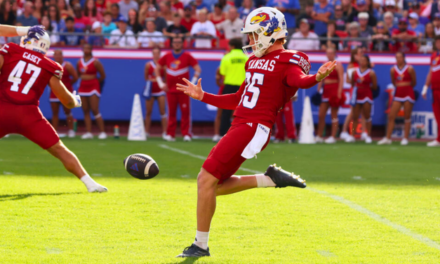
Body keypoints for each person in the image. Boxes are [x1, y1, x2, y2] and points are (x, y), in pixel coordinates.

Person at [174, 7, 336, 258]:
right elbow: (238, 99)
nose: (250, 41)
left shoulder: (288, 59)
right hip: (242, 124)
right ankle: (270, 179)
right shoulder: (253, 61)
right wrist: (203, 96)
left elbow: (299, 81)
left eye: (254, 34)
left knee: (205, 180)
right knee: (211, 186)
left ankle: (200, 245)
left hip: (252, 127)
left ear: (269, 32)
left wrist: (318, 77)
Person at [0, 32, 107, 193]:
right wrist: (76, 100)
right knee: (59, 149)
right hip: (29, 115)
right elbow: (67, 101)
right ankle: (90, 184)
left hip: (3, 109)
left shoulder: (11, 50)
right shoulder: (49, 65)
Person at [155, 37, 201, 141]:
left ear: (182, 44)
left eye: (179, 42)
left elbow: (198, 69)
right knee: (171, 113)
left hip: (184, 91)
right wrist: (160, 83)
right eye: (175, 42)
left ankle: (186, 134)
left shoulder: (187, 56)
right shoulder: (167, 56)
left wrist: (192, 84)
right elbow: (157, 68)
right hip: (170, 90)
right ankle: (171, 134)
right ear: (172, 44)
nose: (176, 44)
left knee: (185, 113)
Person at [378, 52, 416, 146]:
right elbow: (393, 82)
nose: (398, 59)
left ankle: (405, 138)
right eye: (397, 57)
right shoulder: (392, 69)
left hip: (408, 92)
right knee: (392, 115)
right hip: (398, 93)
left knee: (407, 116)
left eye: (400, 57)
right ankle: (388, 137)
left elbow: (414, 82)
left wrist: (406, 86)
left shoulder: (410, 69)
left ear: (404, 58)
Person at [77, 44, 107, 140]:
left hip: (93, 86)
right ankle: (88, 132)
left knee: (95, 109)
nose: (86, 50)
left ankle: (102, 132)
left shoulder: (96, 62)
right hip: (83, 87)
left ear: (91, 50)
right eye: (84, 48)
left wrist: (95, 82)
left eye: (88, 48)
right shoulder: (79, 62)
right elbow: (78, 74)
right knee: (85, 110)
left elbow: (102, 75)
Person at [218, 38, 247, 136]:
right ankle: (242, 134)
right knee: (243, 112)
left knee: (226, 112)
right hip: (243, 87)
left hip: (229, 86)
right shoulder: (246, 58)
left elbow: (222, 73)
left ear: (233, 46)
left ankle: (223, 134)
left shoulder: (227, 57)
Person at [316, 47, 344, 143]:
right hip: (326, 91)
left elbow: (341, 79)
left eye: (331, 53)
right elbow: (321, 77)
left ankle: (333, 136)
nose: (329, 55)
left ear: (334, 54)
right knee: (321, 114)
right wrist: (318, 89)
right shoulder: (325, 65)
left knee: (334, 114)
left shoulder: (338, 65)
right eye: (328, 53)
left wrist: (339, 93)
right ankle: (319, 135)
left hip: (334, 90)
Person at [49, 50, 78, 138]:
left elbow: (75, 77)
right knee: (55, 113)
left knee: (68, 111)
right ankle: (54, 131)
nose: (57, 57)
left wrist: (67, 86)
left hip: (66, 91)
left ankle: (71, 130)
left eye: (59, 55)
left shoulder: (67, 65)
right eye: (55, 55)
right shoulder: (50, 65)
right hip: (54, 92)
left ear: (62, 56)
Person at [349, 55, 377, 143]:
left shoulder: (371, 73)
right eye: (361, 60)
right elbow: (353, 83)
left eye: (364, 60)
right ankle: (352, 135)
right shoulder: (354, 72)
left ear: (368, 62)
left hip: (367, 94)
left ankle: (368, 135)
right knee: (355, 116)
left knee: (367, 115)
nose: (362, 62)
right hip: (357, 94)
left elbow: (375, 86)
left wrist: (366, 88)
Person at [143, 47, 167, 140]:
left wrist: (158, 81)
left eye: (157, 53)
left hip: (160, 90)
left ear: (160, 54)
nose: (156, 55)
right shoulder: (148, 65)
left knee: (162, 111)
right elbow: (146, 78)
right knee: (148, 112)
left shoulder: (163, 66)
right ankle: (146, 132)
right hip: (150, 90)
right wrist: (153, 79)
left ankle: (165, 132)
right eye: (154, 53)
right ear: (152, 54)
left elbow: (165, 78)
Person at [422, 37, 440, 147]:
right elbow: (430, 72)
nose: (438, 43)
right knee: (437, 115)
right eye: (437, 42)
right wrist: (425, 87)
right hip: (435, 89)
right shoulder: (434, 56)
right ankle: (438, 139)